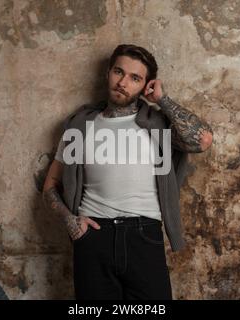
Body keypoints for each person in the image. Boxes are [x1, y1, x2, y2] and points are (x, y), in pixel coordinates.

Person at [42, 44, 213, 300]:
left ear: (146, 85)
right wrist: (71, 222)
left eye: (135, 78)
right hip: (93, 236)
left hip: (144, 234)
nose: (123, 82)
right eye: (118, 72)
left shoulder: (157, 124)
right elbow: (50, 185)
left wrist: (162, 100)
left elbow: (202, 140)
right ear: (108, 73)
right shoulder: (80, 124)